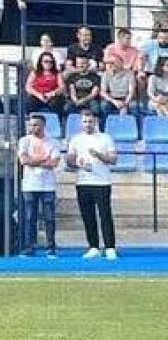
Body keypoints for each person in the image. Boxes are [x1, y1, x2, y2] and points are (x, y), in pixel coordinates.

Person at [65, 109, 119, 260]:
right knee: (88, 216)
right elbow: (69, 160)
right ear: (81, 123)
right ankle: (93, 246)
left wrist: (99, 155)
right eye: (84, 121)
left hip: (102, 182)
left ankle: (110, 247)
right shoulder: (76, 139)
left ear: (95, 122)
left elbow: (114, 159)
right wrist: (78, 163)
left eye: (90, 121)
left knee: (105, 215)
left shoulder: (105, 138)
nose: (87, 124)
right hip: (83, 182)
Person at [16, 114, 60, 258]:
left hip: (48, 185)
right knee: (30, 217)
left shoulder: (52, 142)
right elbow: (23, 160)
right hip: (29, 184)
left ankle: (50, 247)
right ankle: (29, 247)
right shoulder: (24, 141)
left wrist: (33, 160)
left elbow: (54, 163)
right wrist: (43, 159)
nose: (33, 128)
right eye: (31, 125)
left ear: (43, 126)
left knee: (49, 218)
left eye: (36, 125)